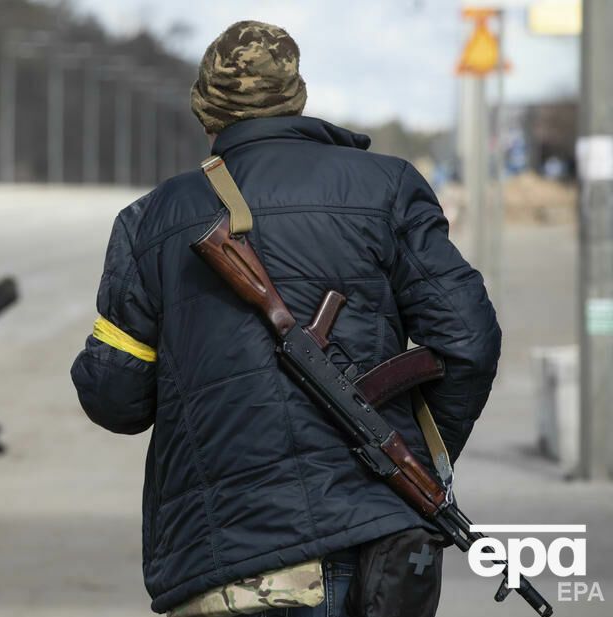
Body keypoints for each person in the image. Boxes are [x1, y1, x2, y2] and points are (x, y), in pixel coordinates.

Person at [71, 20, 500, 617]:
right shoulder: (386, 186)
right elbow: (468, 338)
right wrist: (402, 456)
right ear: (296, 97)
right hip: (374, 543)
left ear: (205, 110)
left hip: (226, 558)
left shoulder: (151, 219)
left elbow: (115, 398)